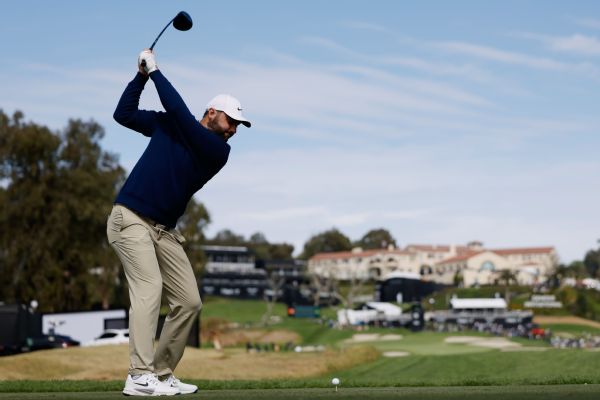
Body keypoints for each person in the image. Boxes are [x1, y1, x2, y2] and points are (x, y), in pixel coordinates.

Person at [107, 49, 251, 396]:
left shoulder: (218, 151)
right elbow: (123, 114)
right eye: (231, 121)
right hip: (130, 219)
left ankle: (161, 372)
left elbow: (180, 115)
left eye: (238, 125)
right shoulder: (170, 124)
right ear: (212, 112)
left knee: (189, 302)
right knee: (149, 289)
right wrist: (141, 77)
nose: (234, 129)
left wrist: (156, 71)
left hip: (164, 231)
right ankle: (139, 375)